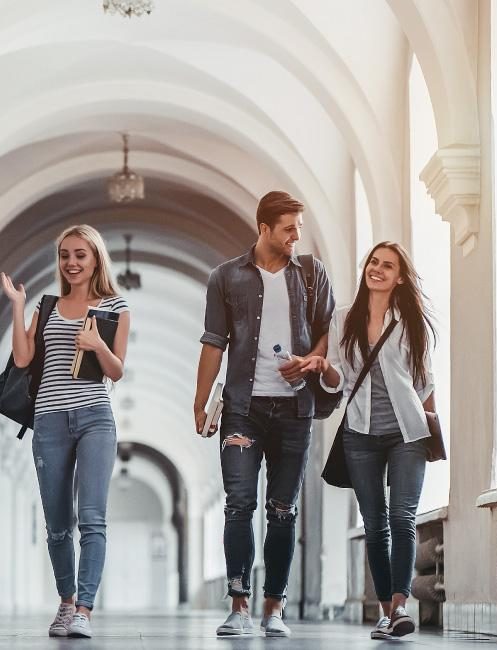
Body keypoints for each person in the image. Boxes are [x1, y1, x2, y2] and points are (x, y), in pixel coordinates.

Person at [194, 191, 335, 638]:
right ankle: (239, 606)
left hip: (295, 408)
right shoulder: (226, 277)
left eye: (299, 227)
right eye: (289, 228)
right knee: (239, 504)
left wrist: (310, 361)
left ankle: (274, 607)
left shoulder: (311, 274)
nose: (296, 236)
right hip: (242, 409)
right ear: (264, 228)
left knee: (282, 509)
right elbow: (213, 342)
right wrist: (200, 403)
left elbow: (327, 333)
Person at [0, 224, 131, 639]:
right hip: (50, 420)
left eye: (80, 255)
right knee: (58, 523)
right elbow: (23, 359)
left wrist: (97, 346)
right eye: (65, 255)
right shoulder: (48, 305)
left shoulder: (114, 306)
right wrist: (19, 307)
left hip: (95, 416)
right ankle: (65, 602)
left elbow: (117, 370)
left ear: (96, 259)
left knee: (92, 518)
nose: (71, 263)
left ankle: (84, 611)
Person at [303, 241, 436, 640]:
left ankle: (400, 606)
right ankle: (384, 611)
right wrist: (325, 367)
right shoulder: (344, 318)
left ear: (399, 277)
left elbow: (425, 380)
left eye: (387, 265)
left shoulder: (411, 320)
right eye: (374, 262)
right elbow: (340, 379)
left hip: (406, 433)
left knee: (403, 518)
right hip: (360, 433)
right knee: (375, 525)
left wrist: (431, 424)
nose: (377, 269)